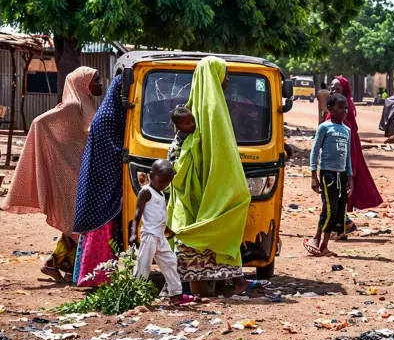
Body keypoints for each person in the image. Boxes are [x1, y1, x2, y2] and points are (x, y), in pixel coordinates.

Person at [168, 56, 260, 296]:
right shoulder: (213, 112)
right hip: (208, 187)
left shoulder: (194, 109)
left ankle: (204, 288)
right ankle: (229, 283)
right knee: (223, 221)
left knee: (196, 232)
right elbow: (222, 156)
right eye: (224, 74)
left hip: (190, 193)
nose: (227, 79)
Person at [2, 67, 102, 281]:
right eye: (96, 80)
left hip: (79, 172)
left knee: (76, 221)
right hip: (71, 175)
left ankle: (57, 263)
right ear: (83, 84)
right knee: (76, 220)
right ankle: (57, 264)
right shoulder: (73, 106)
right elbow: (40, 122)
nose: (100, 84)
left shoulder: (85, 104)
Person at [72, 75, 128, 287]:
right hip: (101, 186)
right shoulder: (108, 117)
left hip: (101, 183)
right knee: (101, 230)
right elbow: (109, 151)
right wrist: (125, 154)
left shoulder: (111, 113)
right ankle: (97, 277)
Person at [129, 160, 196, 305]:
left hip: (160, 236)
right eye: (162, 181)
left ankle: (176, 294)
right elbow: (137, 214)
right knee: (143, 265)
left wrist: (167, 230)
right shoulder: (146, 192)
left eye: (167, 183)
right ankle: (135, 295)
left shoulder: (160, 194)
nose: (164, 185)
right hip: (149, 235)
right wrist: (133, 233)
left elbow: (159, 215)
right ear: (151, 175)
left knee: (170, 261)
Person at [326, 77, 383, 239]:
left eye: (337, 88)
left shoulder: (344, 110)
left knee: (338, 193)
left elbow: (346, 136)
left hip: (344, 156)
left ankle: (340, 227)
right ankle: (342, 225)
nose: (333, 91)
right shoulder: (334, 108)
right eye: (332, 88)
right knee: (334, 194)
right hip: (334, 158)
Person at [305, 94, 353, 257]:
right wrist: (313, 175)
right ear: (330, 109)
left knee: (338, 210)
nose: (344, 111)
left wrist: (350, 178)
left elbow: (347, 156)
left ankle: (322, 244)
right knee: (331, 208)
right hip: (328, 174)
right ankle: (318, 241)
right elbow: (314, 151)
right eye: (340, 107)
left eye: (346, 107)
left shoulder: (347, 130)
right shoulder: (325, 127)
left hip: (342, 175)